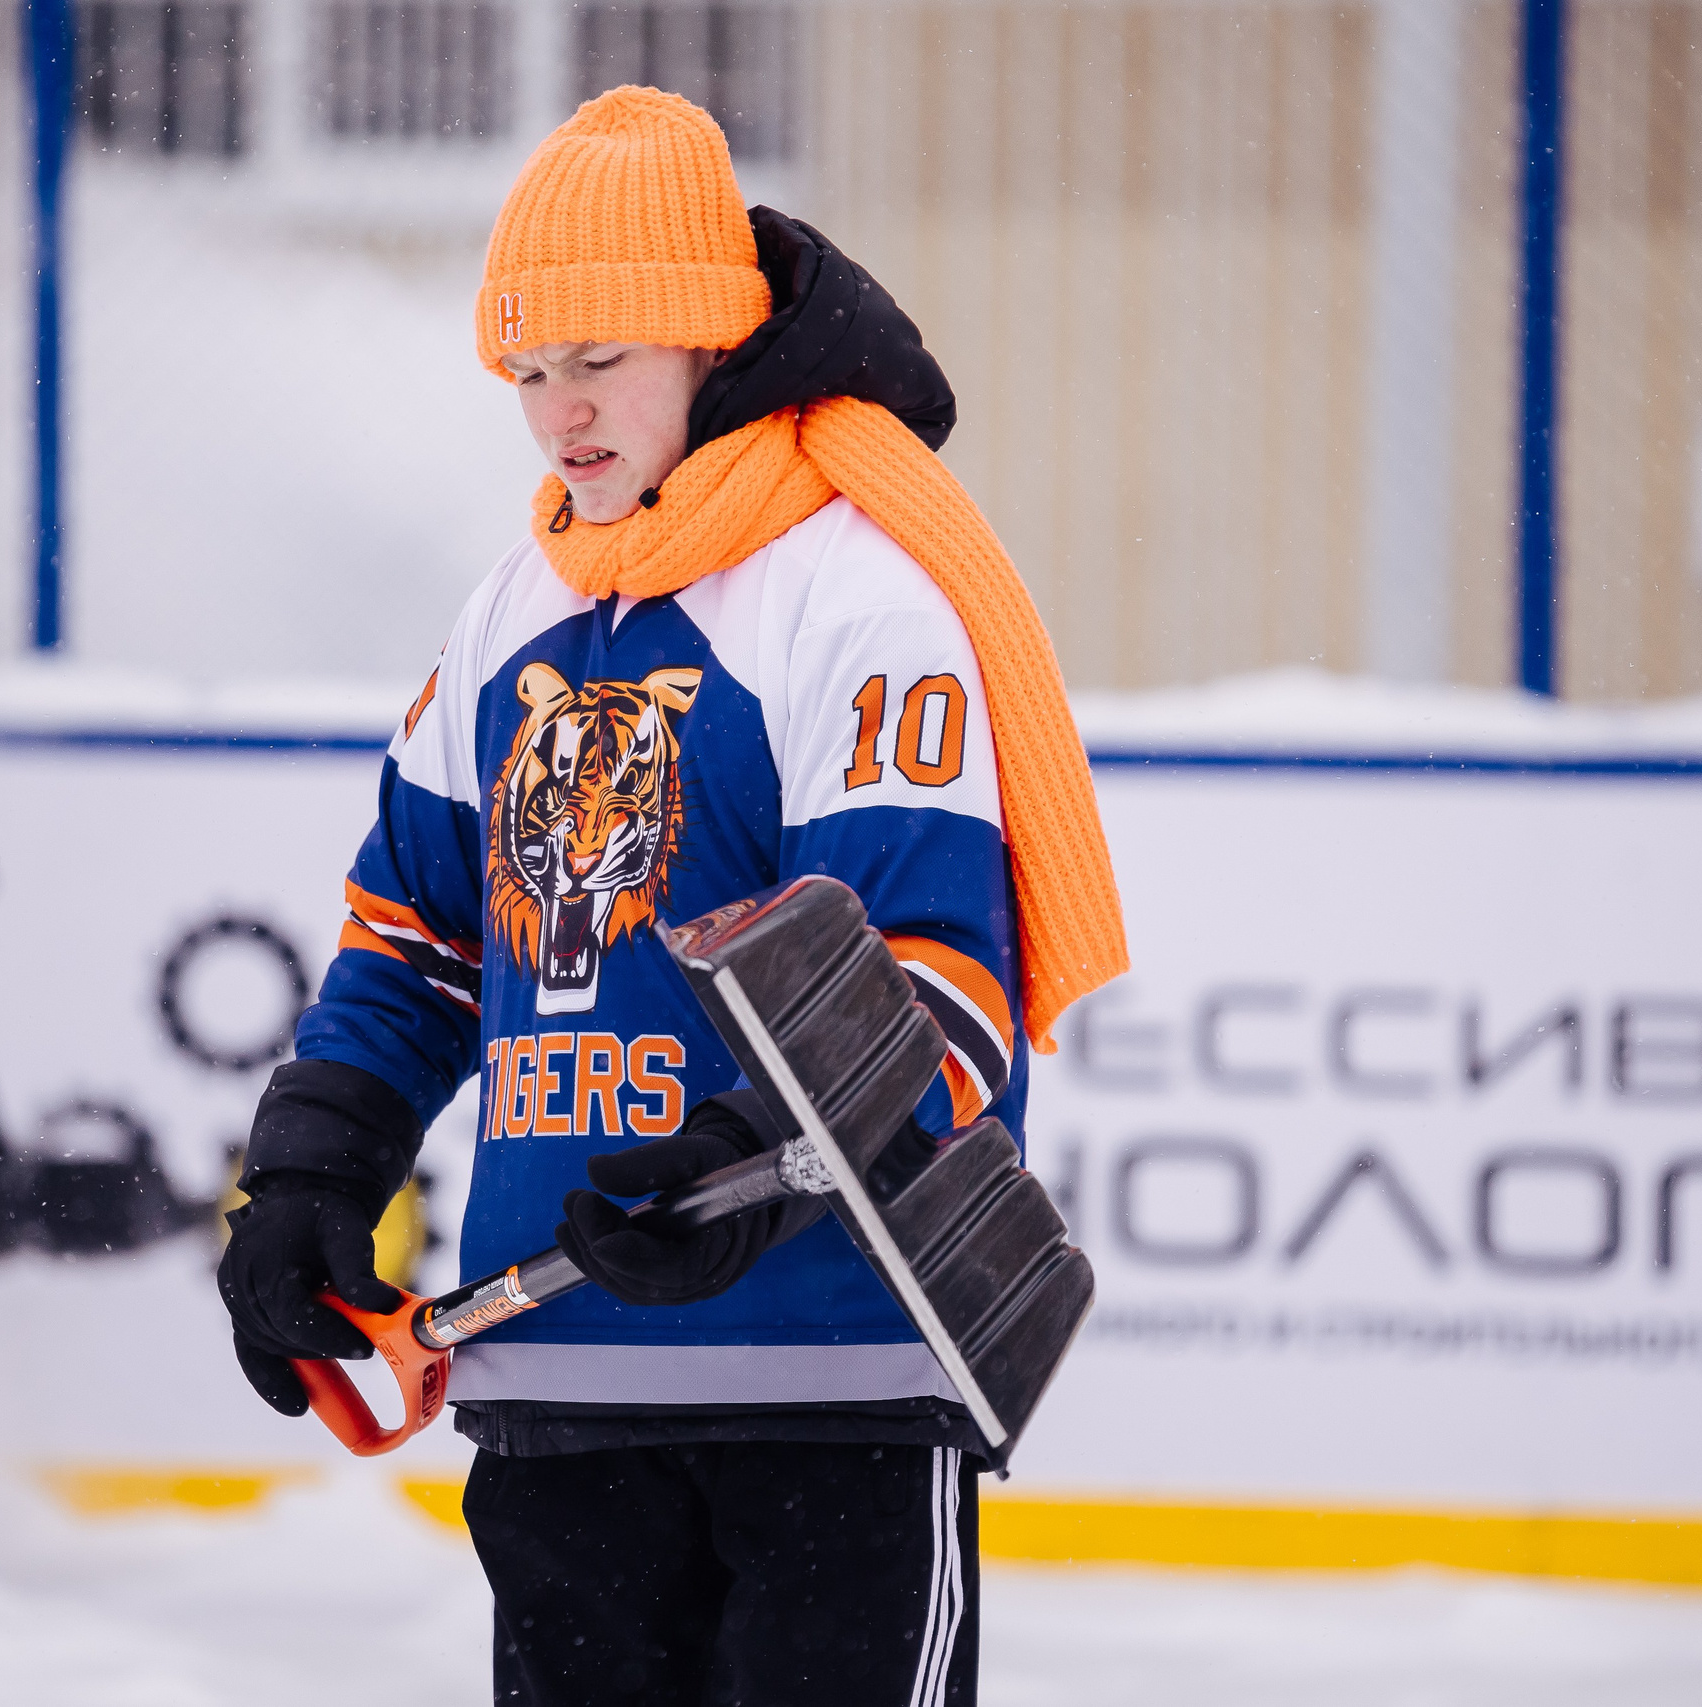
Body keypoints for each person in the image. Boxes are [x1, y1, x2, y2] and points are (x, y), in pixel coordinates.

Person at [218, 89, 1127, 1705]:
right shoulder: (512, 614)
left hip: (837, 1380)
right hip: (565, 1392)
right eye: (529, 372)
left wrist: (738, 1174)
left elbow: (936, 996)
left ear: (711, 342)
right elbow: (418, 945)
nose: (561, 415)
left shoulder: (859, 592)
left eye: (602, 359)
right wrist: (309, 1173)